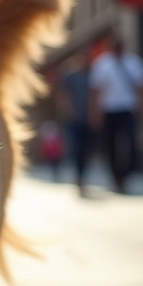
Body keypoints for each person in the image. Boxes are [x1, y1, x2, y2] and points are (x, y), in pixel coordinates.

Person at [89, 30, 143, 194]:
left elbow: (141, 89)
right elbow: (95, 91)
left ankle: (126, 175)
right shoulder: (102, 64)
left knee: (130, 144)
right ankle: (116, 177)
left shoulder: (134, 63)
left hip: (128, 109)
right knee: (111, 146)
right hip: (109, 110)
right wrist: (94, 112)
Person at [58, 50, 93, 195]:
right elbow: (64, 95)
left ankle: (83, 174)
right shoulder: (71, 76)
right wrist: (68, 110)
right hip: (75, 119)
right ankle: (79, 176)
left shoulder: (92, 76)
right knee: (77, 147)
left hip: (89, 119)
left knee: (87, 149)